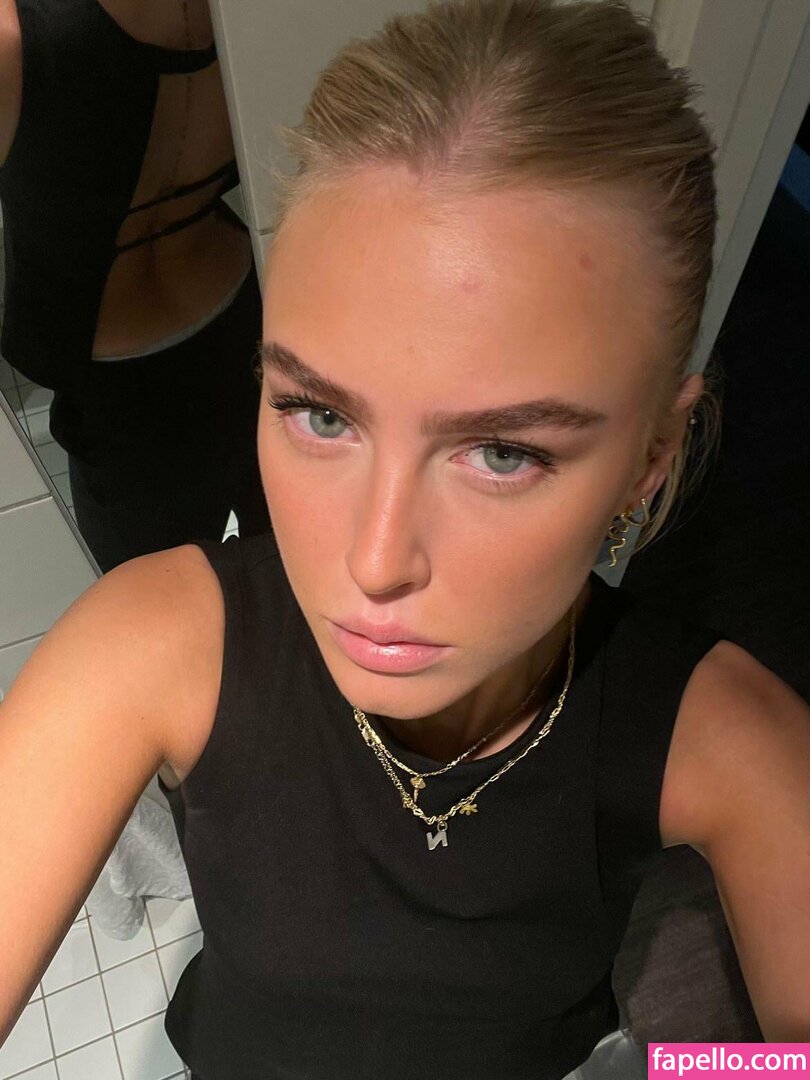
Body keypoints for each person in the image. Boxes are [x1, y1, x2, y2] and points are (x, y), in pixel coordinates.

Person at [1, 1, 809, 1077]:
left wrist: (683, 1072)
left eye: (503, 453)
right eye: (319, 415)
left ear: (650, 458)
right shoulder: (158, 643)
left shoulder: (729, 738)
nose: (373, 562)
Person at [0, 0, 271, 571]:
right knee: (279, 557)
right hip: (244, 306)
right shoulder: (254, 12)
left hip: (123, 390)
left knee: (158, 592)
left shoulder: (13, 34)